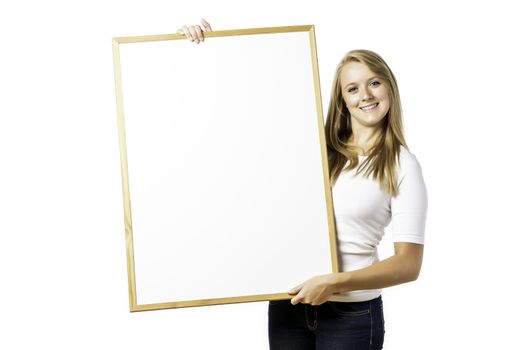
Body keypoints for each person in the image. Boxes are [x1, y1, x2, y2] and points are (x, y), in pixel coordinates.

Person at [177, 19, 428, 350]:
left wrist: (336, 282)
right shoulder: (312, 149)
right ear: (342, 99)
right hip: (289, 305)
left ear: (389, 88)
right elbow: (247, 117)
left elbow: (408, 264)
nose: (365, 95)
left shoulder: (401, 164)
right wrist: (209, 45)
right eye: (352, 88)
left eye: (374, 83)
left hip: (352, 315)